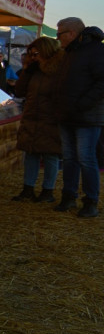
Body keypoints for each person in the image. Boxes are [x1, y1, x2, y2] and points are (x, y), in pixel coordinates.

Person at [51, 17, 104, 218]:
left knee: (86, 159)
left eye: (59, 34)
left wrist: (82, 105)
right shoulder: (71, 53)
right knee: (70, 158)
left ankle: (91, 201)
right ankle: (69, 196)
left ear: (71, 34)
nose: (57, 39)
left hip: (87, 116)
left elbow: (102, 83)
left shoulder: (96, 51)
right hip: (67, 114)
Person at [10, 37, 63, 202]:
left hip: (50, 119)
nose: (33, 57)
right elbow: (19, 91)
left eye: (36, 53)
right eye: (30, 54)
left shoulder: (59, 70)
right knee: (30, 153)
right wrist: (26, 70)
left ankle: (48, 191)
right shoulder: (33, 70)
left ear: (46, 51)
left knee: (50, 155)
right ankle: (28, 188)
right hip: (32, 117)